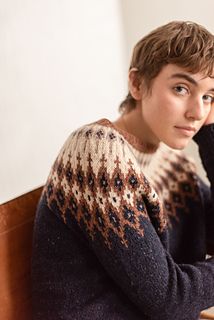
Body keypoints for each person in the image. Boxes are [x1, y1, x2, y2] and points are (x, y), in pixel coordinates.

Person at [32, 21, 214, 320]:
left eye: (209, 96)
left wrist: (210, 134)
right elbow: (169, 299)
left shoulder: (170, 159)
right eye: (181, 88)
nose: (197, 111)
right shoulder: (97, 152)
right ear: (137, 84)